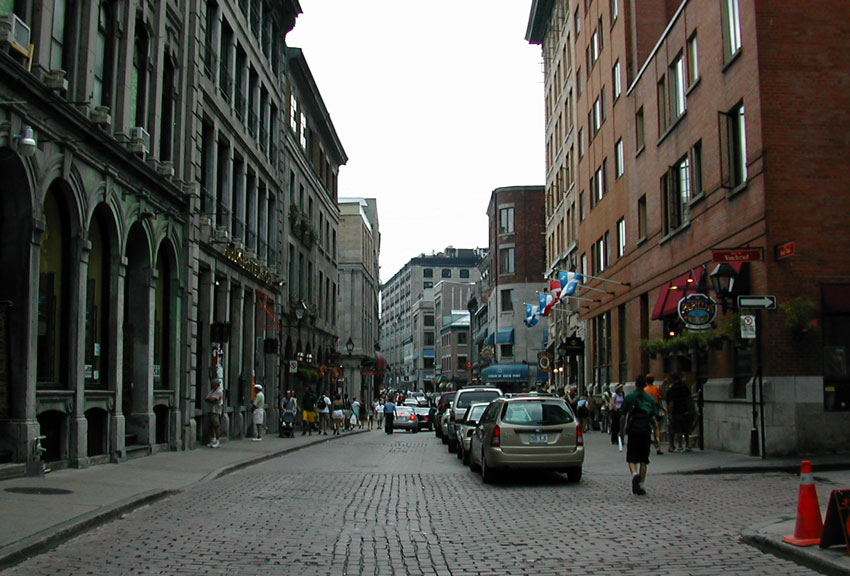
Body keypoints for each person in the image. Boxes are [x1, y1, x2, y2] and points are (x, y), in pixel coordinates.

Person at [619, 374, 658, 495]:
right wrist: (657, 437)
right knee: (644, 460)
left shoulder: (629, 397)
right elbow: (654, 419)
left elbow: (623, 416)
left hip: (633, 430)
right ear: (645, 384)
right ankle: (641, 485)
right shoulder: (650, 399)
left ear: (635, 384)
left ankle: (635, 474)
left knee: (631, 457)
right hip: (646, 430)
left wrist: (621, 432)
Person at [666, 373, 693, 452]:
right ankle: (687, 445)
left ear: (672, 379)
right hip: (685, 410)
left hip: (676, 411)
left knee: (678, 429)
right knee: (686, 428)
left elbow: (671, 402)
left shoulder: (672, 389)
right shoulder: (685, 387)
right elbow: (689, 398)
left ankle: (680, 446)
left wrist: (669, 413)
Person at [644, 373, 664, 455]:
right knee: (657, 428)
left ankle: (647, 445)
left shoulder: (645, 390)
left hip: (647, 409)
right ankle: (658, 446)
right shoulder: (657, 388)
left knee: (647, 427)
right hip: (656, 408)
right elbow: (661, 397)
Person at [205, 378, 224, 448]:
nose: (212, 385)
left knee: (216, 426)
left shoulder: (219, 391)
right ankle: (213, 440)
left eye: (213, 384)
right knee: (211, 426)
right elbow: (206, 398)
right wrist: (209, 399)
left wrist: (209, 399)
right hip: (210, 410)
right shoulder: (212, 391)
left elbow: (213, 400)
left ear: (216, 385)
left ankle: (217, 441)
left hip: (216, 411)